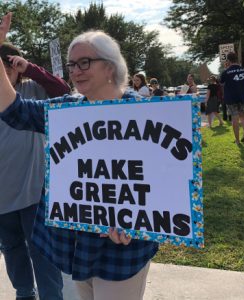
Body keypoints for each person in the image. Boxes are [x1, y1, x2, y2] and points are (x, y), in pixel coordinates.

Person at [0, 13, 158, 300]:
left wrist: (139, 219)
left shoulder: (145, 114)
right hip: (78, 247)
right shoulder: (68, 109)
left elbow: (164, 182)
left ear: (110, 66)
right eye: (72, 64)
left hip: (121, 251)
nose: (75, 71)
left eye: (85, 62)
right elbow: (15, 109)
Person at [0, 41, 70, 299]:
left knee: (42, 251)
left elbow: (63, 91)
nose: (5, 69)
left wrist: (31, 69)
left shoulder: (32, 89)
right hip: (2, 193)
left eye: (9, 63)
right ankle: (24, 293)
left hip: (34, 189)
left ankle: (52, 296)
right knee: (12, 249)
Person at [220, 52, 244, 144]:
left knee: (235, 118)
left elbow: (221, 82)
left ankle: (237, 140)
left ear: (228, 60)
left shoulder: (226, 72)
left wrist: (226, 69)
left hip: (231, 98)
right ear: (237, 59)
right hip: (242, 96)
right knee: (243, 115)